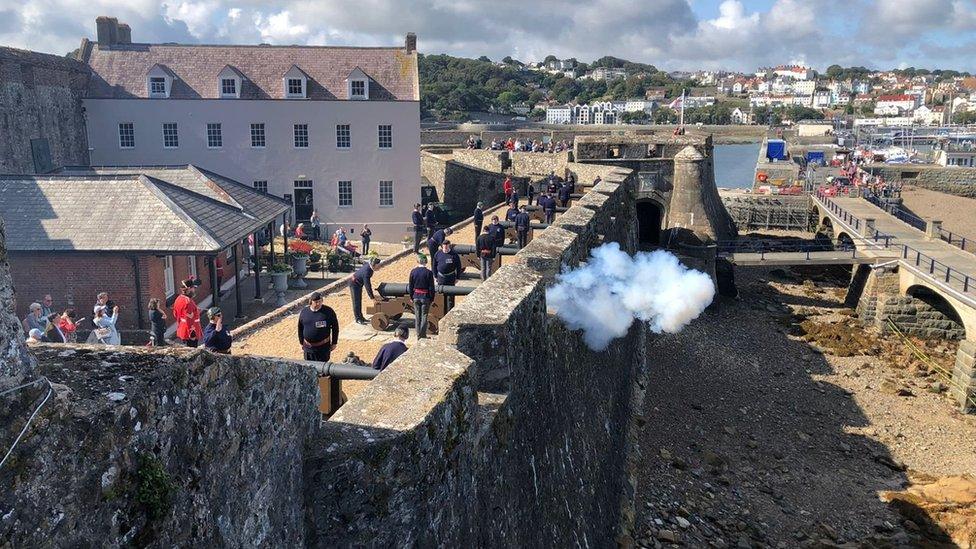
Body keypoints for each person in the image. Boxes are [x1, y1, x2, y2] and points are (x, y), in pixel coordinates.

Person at [298, 291, 339, 362]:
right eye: (316, 302)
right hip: (308, 348)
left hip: (323, 348)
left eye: (320, 301)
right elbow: (300, 328)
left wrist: (334, 342)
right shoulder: (304, 312)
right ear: (311, 302)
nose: (319, 304)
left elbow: (335, 327)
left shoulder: (328, 312)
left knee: (322, 370)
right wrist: (301, 342)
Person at [407, 254, 435, 339]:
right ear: (426, 262)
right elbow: (431, 287)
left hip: (416, 295)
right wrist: (432, 298)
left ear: (418, 261)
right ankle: (422, 335)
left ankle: (418, 334)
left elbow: (411, 286)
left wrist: (411, 296)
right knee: (424, 316)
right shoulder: (429, 273)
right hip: (425, 296)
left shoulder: (413, 271)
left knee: (417, 316)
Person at [173, 279, 203, 347]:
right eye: (193, 288)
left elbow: (176, 314)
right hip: (190, 331)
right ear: (189, 289)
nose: (194, 290)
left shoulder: (178, 298)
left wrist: (196, 311)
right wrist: (192, 333)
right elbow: (189, 319)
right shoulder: (188, 302)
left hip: (183, 328)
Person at [433, 239, 463, 309]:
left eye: (447, 245)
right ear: (442, 246)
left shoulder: (454, 255)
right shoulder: (438, 254)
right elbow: (434, 265)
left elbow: (458, 266)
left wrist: (458, 277)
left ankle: (450, 310)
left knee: (451, 296)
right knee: (441, 295)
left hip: (451, 277)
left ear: (449, 245)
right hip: (441, 277)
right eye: (444, 246)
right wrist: (435, 276)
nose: (445, 247)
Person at [349, 257, 380, 324]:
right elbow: (368, 286)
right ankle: (358, 319)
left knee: (359, 300)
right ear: (373, 265)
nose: (379, 267)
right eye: (378, 266)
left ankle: (361, 317)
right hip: (354, 284)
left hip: (359, 284)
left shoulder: (370, 268)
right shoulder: (367, 272)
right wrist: (372, 298)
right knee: (356, 302)